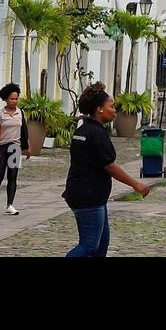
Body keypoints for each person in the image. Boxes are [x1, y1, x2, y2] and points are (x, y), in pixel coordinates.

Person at [63, 83, 149, 257]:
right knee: (88, 246)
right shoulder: (96, 133)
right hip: (88, 196)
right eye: (111, 106)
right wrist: (136, 184)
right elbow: (110, 166)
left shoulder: (82, 130)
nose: (114, 110)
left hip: (87, 193)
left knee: (102, 242)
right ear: (100, 109)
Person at [0, 83, 28, 214]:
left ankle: (10, 204)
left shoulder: (20, 113)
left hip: (15, 147)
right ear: (6, 99)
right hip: (2, 147)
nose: (14, 101)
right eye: (12, 99)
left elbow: (24, 130)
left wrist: (28, 147)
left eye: (16, 99)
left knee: (13, 176)